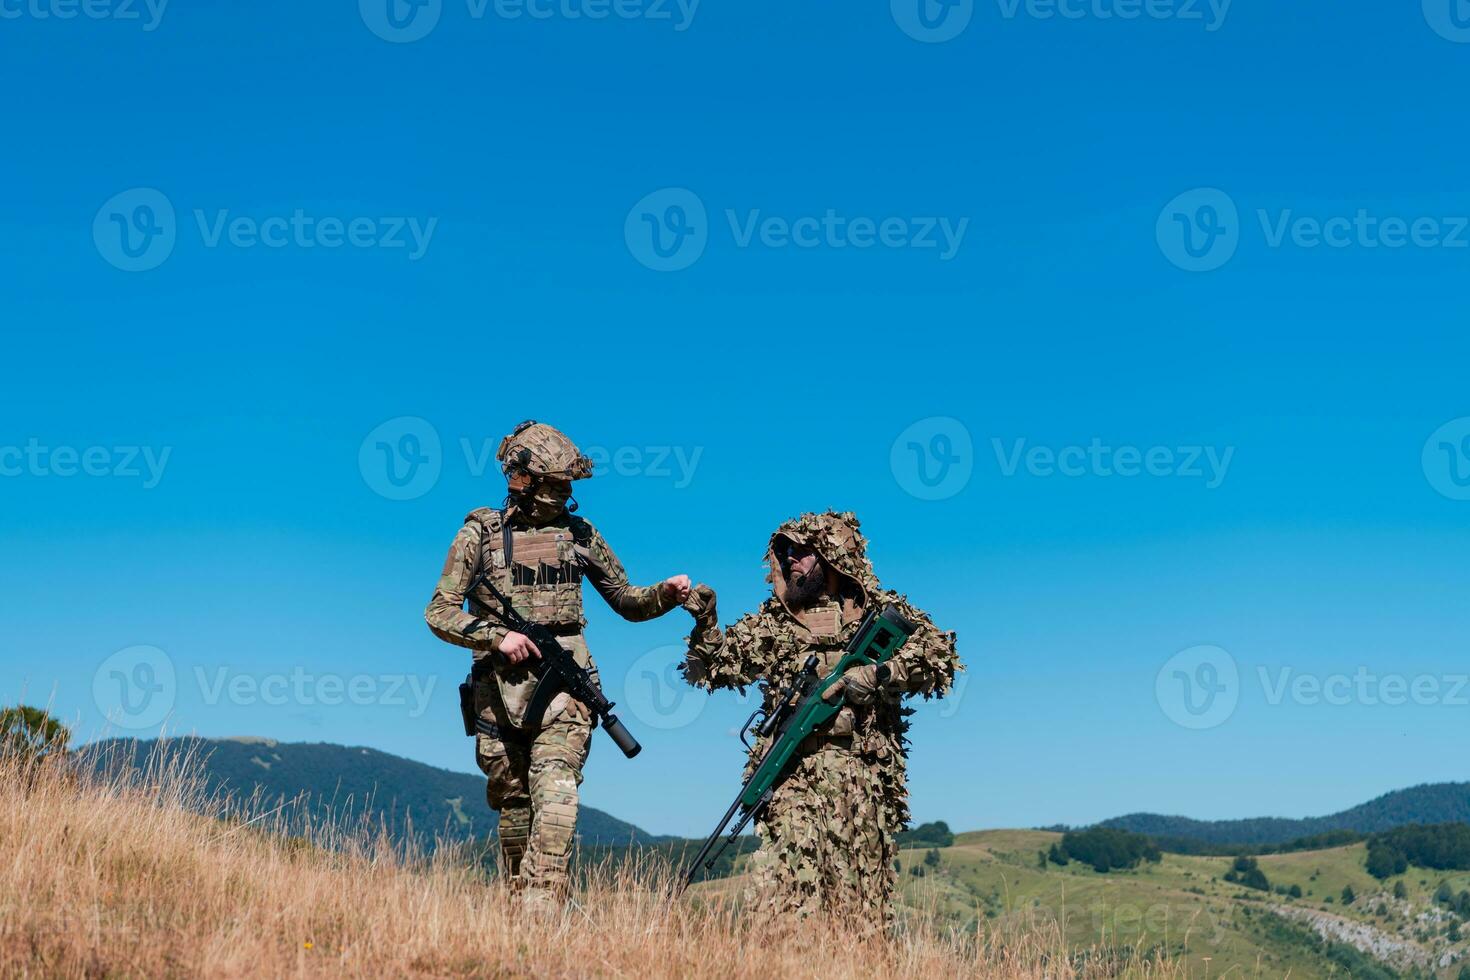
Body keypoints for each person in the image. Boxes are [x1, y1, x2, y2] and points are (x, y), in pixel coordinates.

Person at [426, 420, 690, 908]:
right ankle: (522, 926)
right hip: (497, 699)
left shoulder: (580, 534)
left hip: (566, 694)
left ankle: (540, 916)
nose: (564, 495)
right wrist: (497, 636)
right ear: (522, 480)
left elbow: (628, 600)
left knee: (557, 804)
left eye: (567, 485)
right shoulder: (479, 535)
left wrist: (666, 595)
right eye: (554, 485)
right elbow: (438, 613)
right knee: (516, 812)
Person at [681, 510, 960, 926]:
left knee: (859, 908)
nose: (791, 559)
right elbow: (716, 668)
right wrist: (705, 622)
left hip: (860, 779)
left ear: (831, 556)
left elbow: (940, 657)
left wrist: (877, 675)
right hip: (791, 775)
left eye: (802, 550)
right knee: (784, 901)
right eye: (786, 551)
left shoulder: (877, 612)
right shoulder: (773, 622)